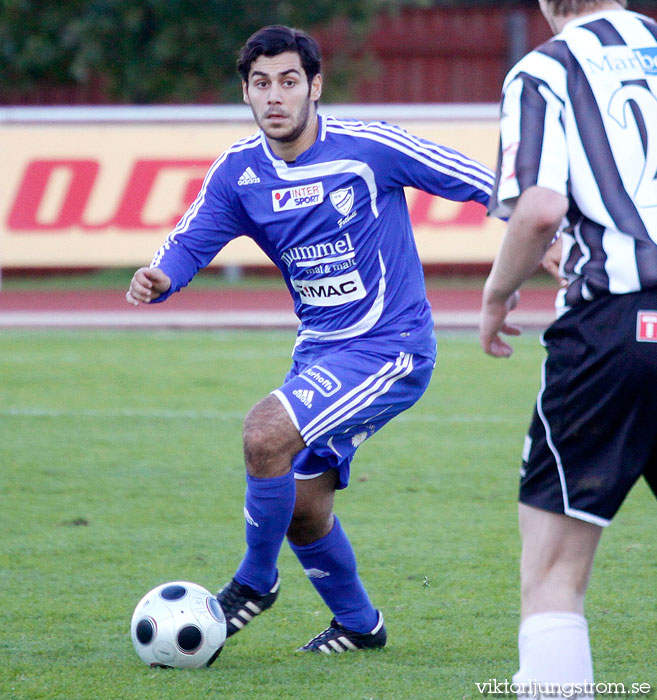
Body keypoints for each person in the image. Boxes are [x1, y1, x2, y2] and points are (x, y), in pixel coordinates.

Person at [127, 24, 494, 654]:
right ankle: (359, 624)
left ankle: (255, 581)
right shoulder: (240, 172)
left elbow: (473, 178)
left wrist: (545, 230)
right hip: (320, 351)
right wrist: (163, 276)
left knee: (264, 434)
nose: (275, 96)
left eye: (289, 82)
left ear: (315, 86)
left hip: (392, 347)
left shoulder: (367, 148)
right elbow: (191, 240)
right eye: (261, 83)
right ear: (246, 91)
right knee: (299, 503)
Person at [480, 0, 657, 696]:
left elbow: (540, 209)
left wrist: (496, 295)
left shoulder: (545, 68)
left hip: (615, 328)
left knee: (554, 569)